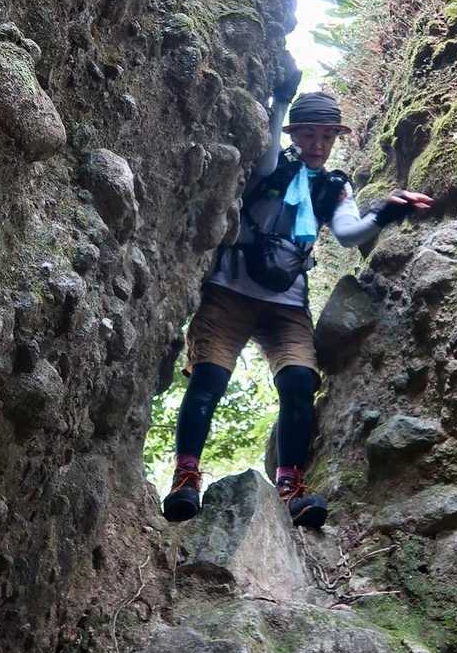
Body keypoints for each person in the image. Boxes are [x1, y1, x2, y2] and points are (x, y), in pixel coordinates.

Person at [163, 67, 433, 528]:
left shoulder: (334, 186)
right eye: (309, 134)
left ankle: (292, 486)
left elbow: (348, 233)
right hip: (229, 291)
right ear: (294, 135)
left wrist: (388, 211)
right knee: (209, 376)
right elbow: (269, 159)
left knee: (299, 383)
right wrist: (281, 104)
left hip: (287, 302)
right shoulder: (270, 169)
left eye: (327, 136)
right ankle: (185, 479)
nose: (318, 145)